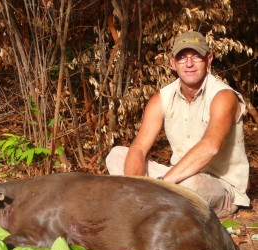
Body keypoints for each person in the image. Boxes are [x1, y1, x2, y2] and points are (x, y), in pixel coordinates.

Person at [106, 31, 250, 218]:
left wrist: (162, 184)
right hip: (176, 179)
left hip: (217, 185)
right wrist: (135, 186)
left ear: (209, 59)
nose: (189, 64)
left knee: (191, 186)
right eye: (182, 58)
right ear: (173, 64)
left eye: (196, 57)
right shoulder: (162, 98)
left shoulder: (223, 96)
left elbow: (210, 147)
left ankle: (149, 207)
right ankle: (142, 203)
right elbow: (139, 148)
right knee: (117, 155)